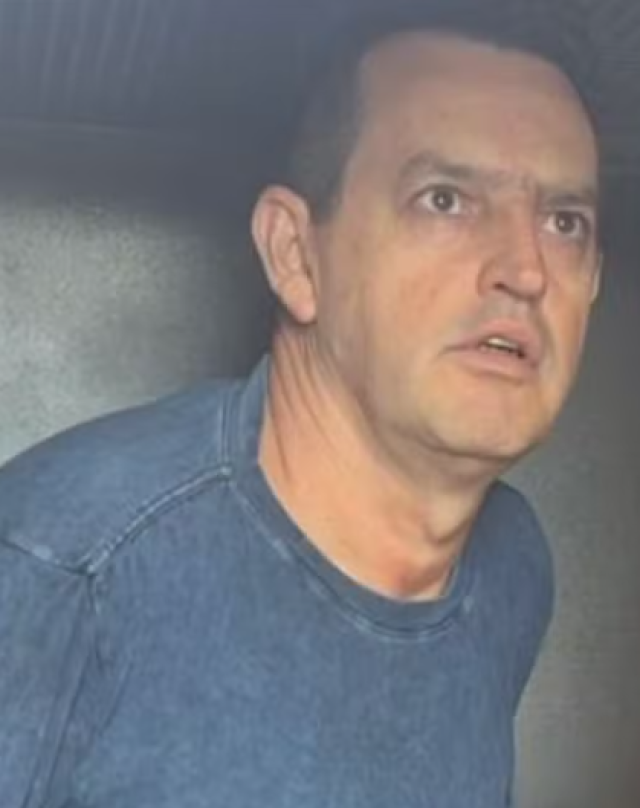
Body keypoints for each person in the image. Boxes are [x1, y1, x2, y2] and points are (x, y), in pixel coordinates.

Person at [0, 2, 602, 806]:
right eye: (445, 200)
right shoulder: (61, 566)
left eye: (565, 221)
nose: (526, 270)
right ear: (294, 254)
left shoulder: (513, 569)